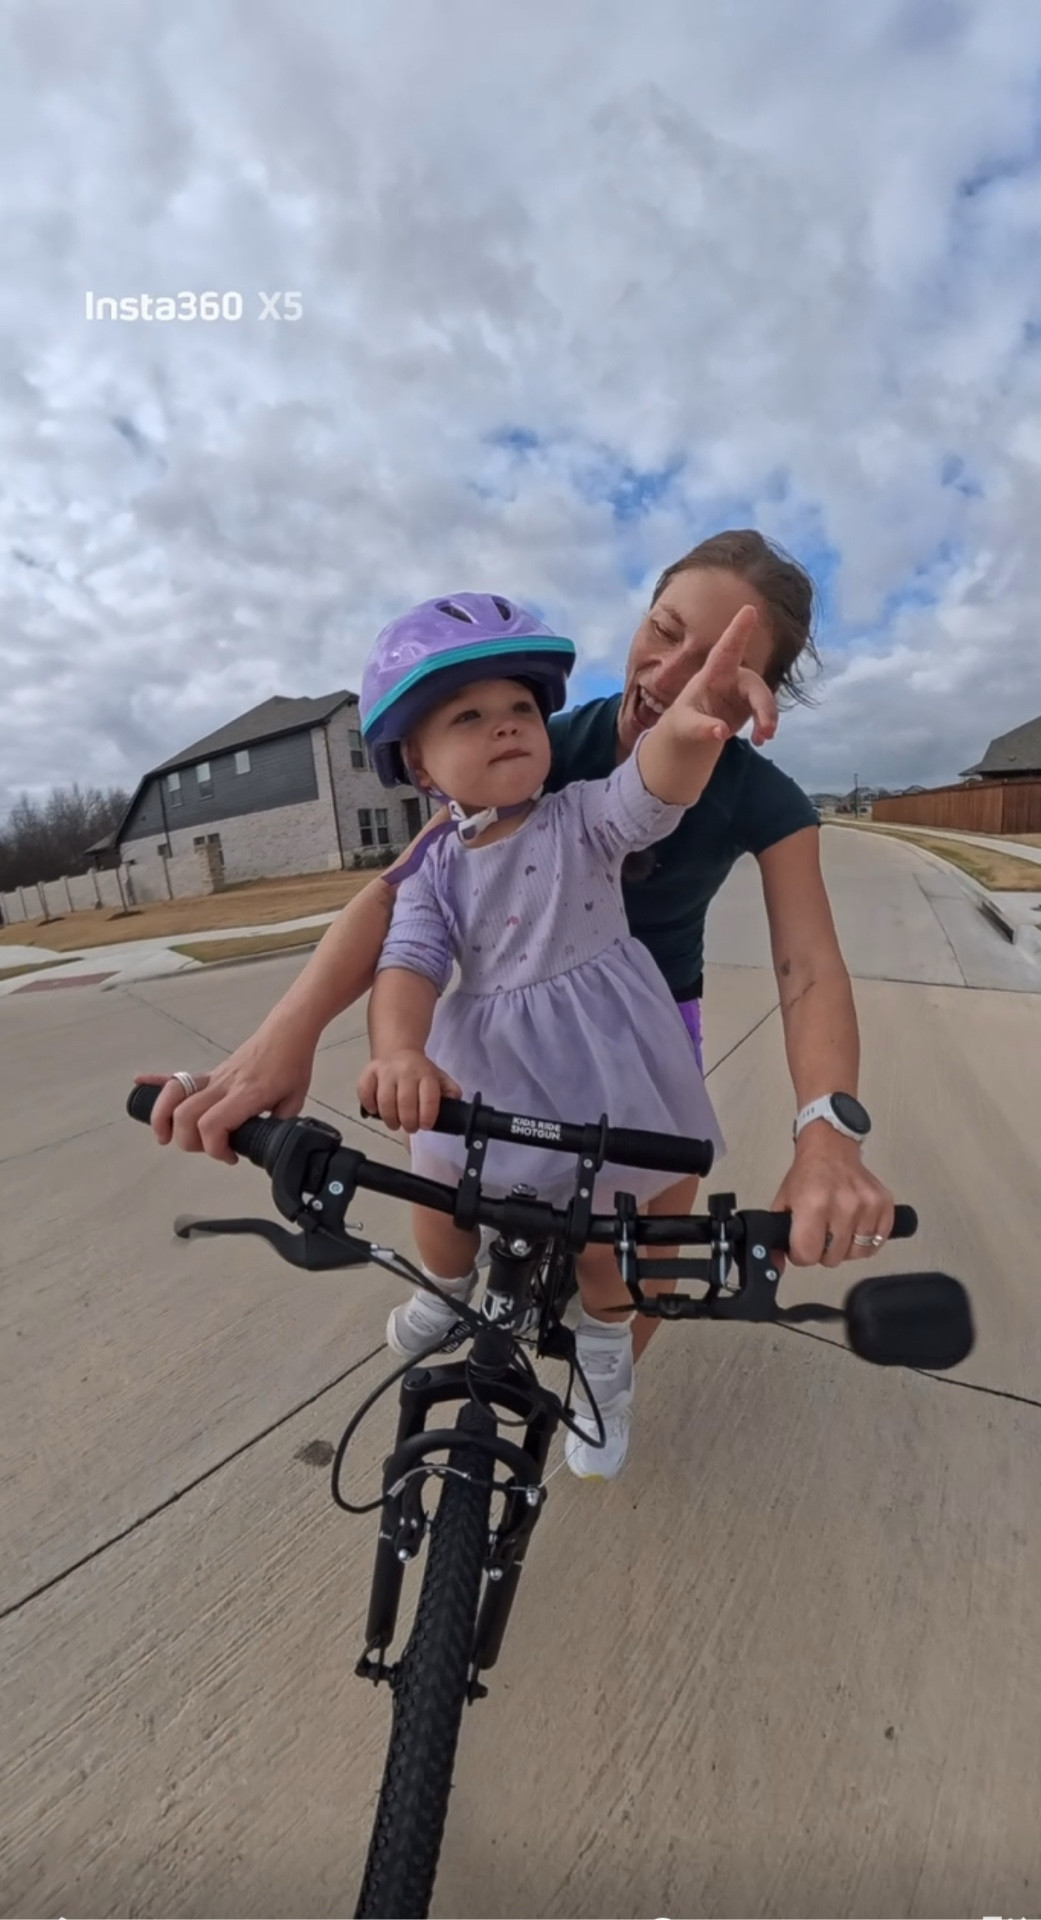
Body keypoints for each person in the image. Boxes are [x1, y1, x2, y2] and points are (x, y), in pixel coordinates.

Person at [139, 530, 895, 1328]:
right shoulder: (531, 743)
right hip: (505, 1025)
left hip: (646, 1032)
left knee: (644, 1260)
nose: (673, 676)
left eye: (718, 663)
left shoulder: (762, 798)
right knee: (448, 1189)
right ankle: (448, 1294)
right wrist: (281, 1040)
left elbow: (807, 965)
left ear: (758, 693)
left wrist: (828, 1134)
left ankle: (609, 1380)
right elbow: (400, 897)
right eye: (665, 631)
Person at [352, 591, 769, 1478]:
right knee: (439, 1187)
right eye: (469, 716)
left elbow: (650, 792)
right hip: (489, 1064)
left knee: (604, 1237)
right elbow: (409, 967)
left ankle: (605, 1361)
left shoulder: (580, 815)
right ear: (420, 765)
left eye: (518, 710)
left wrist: (690, 731)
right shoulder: (430, 872)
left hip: (605, 1061)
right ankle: (447, 1289)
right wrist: (398, 1050)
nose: (505, 727)